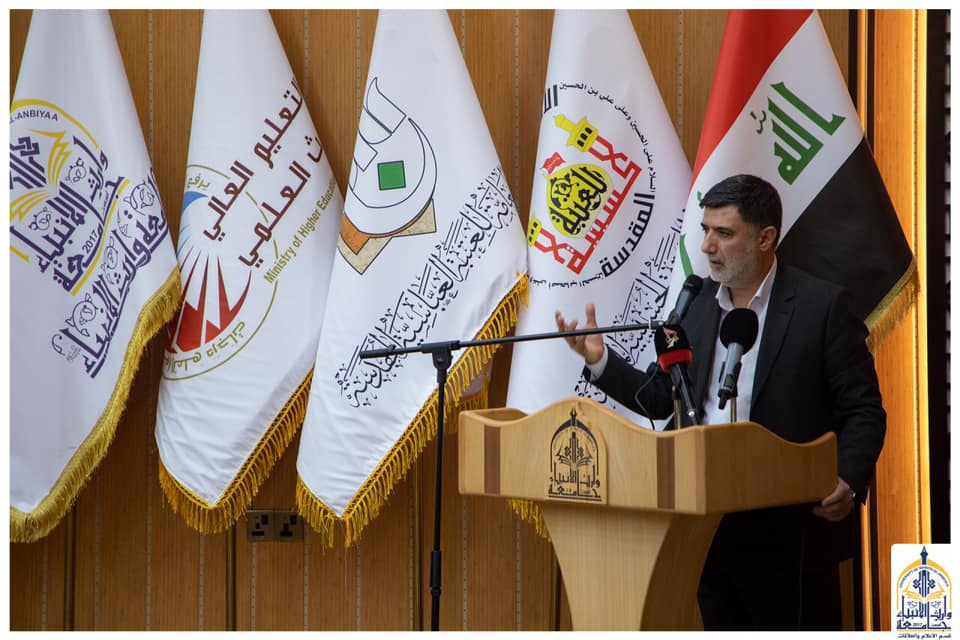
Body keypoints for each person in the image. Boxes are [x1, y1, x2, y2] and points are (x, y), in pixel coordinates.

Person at [555, 174, 886, 630]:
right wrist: (600, 361)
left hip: (792, 530)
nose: (708, 246)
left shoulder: (822, 307)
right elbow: (661, 397)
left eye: (723, 233)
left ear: (765, 238)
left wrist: (847, 479)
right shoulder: (696, 305)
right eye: (706, 230)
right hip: (706, 527)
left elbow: (864, 410)